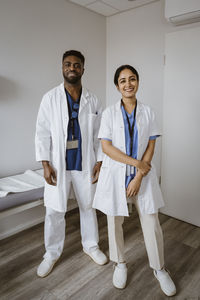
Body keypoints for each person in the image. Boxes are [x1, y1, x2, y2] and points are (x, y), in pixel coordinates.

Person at [93, 65, 176, 296]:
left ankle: (159, 268)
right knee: (114, 221)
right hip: (115, 174)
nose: (127, 84)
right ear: (117, 86)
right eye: (122, 81)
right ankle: (120, 263)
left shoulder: (148, 112)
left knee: (151, 221)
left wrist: (139, 174)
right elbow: (106, 147)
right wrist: (136, 163)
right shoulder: (109, 113)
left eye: (132, 79)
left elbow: (151, 144)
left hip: (142, 176)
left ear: (138, 82)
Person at [35, 50, 107, 278]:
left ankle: (91, 246)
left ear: (83, 69)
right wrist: (45, 163)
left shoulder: (93, 99)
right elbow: (41, 133)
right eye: (68, 64)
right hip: (59, 164)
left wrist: (100, 161)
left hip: (85, 162)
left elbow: (99, 135)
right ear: (62, 67)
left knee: (88, 206)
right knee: (55, 210)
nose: (72, 68)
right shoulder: (50, 98)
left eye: (77, 65)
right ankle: (51, 253)